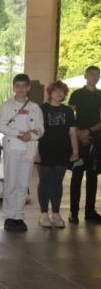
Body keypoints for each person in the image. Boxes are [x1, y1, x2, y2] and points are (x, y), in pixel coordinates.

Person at [0, 73, 44, 232]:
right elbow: (1, 126)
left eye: (24, 86)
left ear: (29, 88)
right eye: (18, 86)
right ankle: (9, 216)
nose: (21, 89)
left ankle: (19, 216)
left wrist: (30, 135)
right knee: (11, 182)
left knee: (23, 184)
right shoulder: (7, 106)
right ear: (13, 88)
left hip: (29, 148)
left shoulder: (34, 107)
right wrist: (20, 134)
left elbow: (41, 129)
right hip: (13, 147)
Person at [37, 81, 78, 228]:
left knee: (57, 183)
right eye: (56, 90)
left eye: (61, 91)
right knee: (44, 182)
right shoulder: (41, 109)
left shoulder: (68, 111)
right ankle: (43, 214)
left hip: (63, 151)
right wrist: (36, 152)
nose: (59, 93)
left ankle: (55, 213)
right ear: (50, 92)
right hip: (44, 151)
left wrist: (75, 151)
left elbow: (72, 132)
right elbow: (36, 132)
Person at [68, 66, 101, 224]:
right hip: (78, 140)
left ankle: (90, 211)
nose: (95, 77)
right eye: (92, 74)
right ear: (85, 75)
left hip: (95, 139)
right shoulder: (77, 94)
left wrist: (87, 131)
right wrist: (79, 133)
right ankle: (73, 212)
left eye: (98, 75)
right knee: (77, 176)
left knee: (93, 176)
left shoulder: (100, 95)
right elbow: (69, 116)